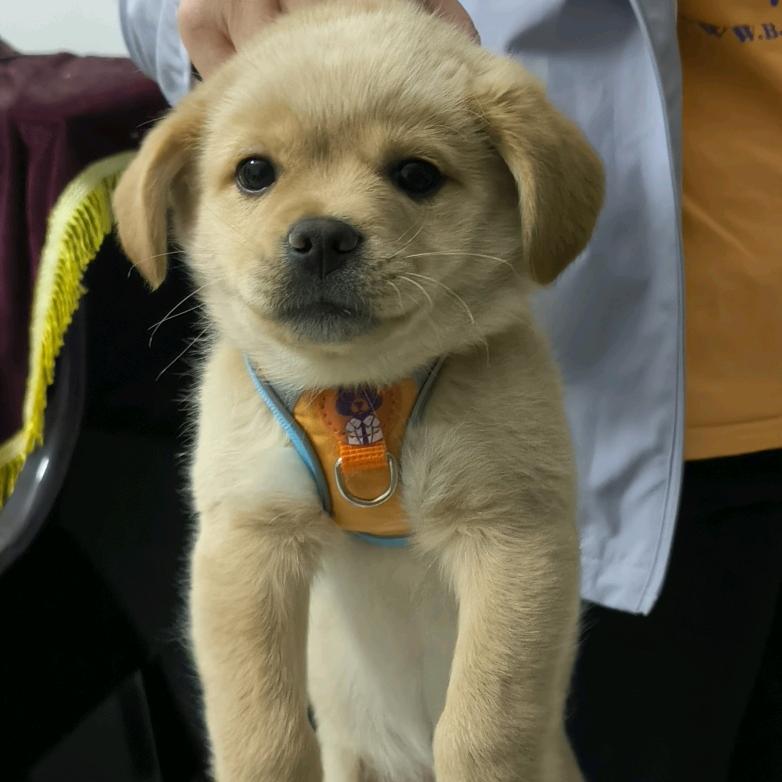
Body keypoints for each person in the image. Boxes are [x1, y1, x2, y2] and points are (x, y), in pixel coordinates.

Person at [119, 1, 782, 779]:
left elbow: (515, 544)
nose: (323, 230)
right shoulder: (245, 386)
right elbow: (243, 557)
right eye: (257, 172)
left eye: (413, 173)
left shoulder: (496, 363)